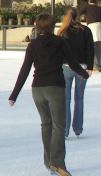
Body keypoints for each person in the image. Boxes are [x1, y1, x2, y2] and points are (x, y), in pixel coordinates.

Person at [9, 14, 90, 176]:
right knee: (59, 126)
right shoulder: (60, 42)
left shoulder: (32, 45)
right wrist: (84, 73)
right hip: (55, 87)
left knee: (46, 124)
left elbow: (25, 70)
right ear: (52, 26)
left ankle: (49, 161)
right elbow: (72, 63)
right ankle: (57, 163)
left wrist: (14, 95)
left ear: (37, 26)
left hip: (37, 89)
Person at [56, 8, 94, 139]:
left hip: (66, 67)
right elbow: (90, 49)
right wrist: (90, 67)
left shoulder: (62, 32)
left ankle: (65, 130)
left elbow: (58, 52)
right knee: (79, 98)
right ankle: (78, 128)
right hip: (82, 68)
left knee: (65, 100)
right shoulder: (85, 30)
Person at [81, 0, 101, 72]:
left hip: (92, 27)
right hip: (100, 27)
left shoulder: (87, 7)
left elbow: (79, 12)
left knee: (92, 47)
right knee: (98, 46)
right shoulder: (100, 8)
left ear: (89, 1)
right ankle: (98, 65)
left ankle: (95, 65)